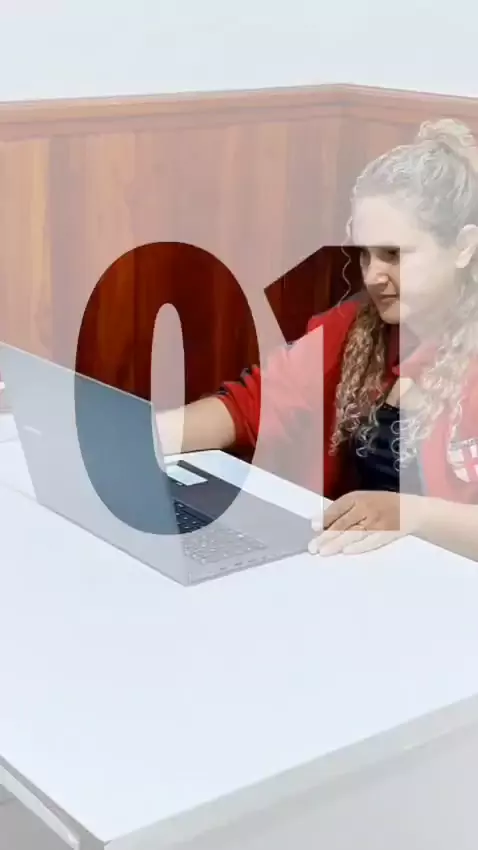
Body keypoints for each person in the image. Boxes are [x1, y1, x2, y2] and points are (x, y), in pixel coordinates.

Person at [157, 118, 478, 561]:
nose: (373, 275)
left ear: (463, 248)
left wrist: (415, 514)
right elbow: (252, 405)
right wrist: (141, 438)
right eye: (364, 255)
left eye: (393, 254)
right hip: (350, 565)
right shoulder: (355, 329)